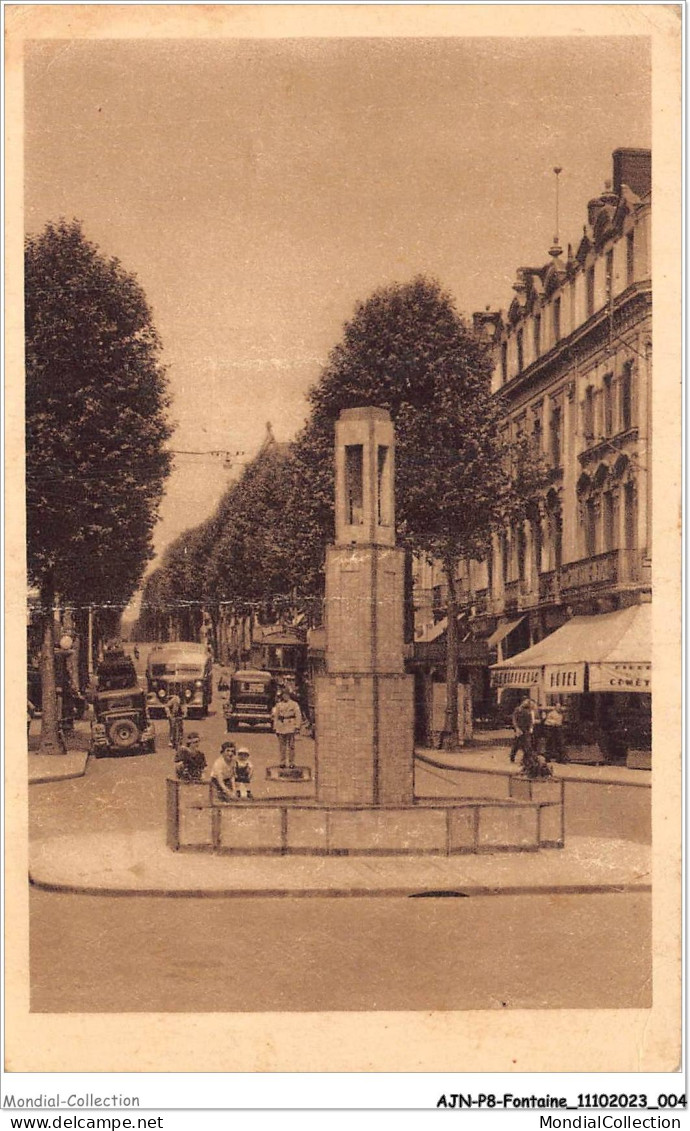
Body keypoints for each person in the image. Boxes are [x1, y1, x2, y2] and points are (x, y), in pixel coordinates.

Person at [271, 688, 302, 768]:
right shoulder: (279, 705)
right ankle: (282, 762)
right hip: (281, 726)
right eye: (284, 695)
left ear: (289, 695)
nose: (285, 697)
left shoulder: (294, 704)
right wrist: (275, 726)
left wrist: (297, 726)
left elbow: (298, 715)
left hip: (290, 725)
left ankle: (292, 762)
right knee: (282, 746)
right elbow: (276, 716)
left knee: (291, 746)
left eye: (287, 695)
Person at [509, 697, 536, 765]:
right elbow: (514, 719)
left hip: (526, 729)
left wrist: (530, 727)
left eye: (528, 702)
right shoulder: (518, 709)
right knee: (516, 744)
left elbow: (530, 721)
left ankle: (526, 760)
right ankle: (512, 756)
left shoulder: (529, 711)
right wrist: (517, 728)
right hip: (519, 729)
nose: (526, 703)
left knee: (527, 744)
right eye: (525, 702)